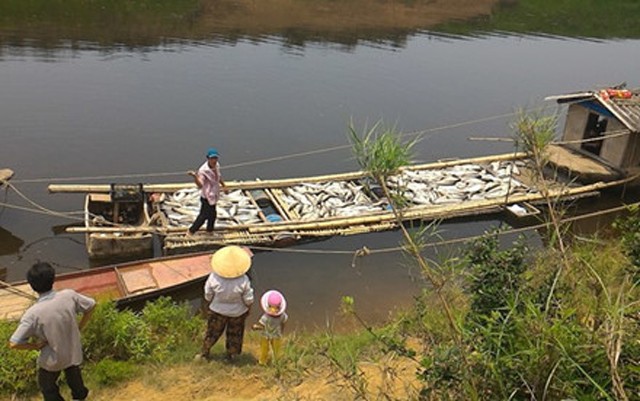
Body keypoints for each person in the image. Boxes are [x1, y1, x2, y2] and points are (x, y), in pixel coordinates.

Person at [8, 262, 96, 401]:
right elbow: (91, 305)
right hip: (73, 352)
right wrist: (79, 327)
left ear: (32, 286)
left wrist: (35, 346)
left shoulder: (33, 313)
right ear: (53, 279)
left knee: (47, 386)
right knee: (74, 376)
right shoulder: (69, 295)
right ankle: (80, 397)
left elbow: (14, 343)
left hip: (52, 360)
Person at [197, 245, 254, 362]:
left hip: (217, 311)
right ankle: (231, 356)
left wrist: (209, 305)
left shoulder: (213, 278)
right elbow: (248, 299)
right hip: (238, 313)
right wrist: (248, 309)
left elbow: (208, 295)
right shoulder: (243, 280)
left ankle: (204, 353)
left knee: (212, 333)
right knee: (235, 335)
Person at [187, 147, 226, 235]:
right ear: (208, 158)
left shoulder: (217, 165)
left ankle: (209, 231)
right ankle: (191, 231)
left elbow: (218, 177)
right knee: (203, 216)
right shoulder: (203, 170)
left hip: (214, 194)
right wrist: (195, 177)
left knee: (212, 215)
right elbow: (200, 185)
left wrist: (224, 186)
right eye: (212, 158)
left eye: (215, 158)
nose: (214, 160)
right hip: (206, 197)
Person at [252, 290, 288, 365]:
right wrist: (282, 331)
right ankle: (277, 362)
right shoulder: (282, 316)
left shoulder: (265, 317)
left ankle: (262, 362)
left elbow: (261, 326)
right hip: (276, 335)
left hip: (265, 335)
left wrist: (255, 327)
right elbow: (283, 323)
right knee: (277, 349)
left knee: (264, 349)